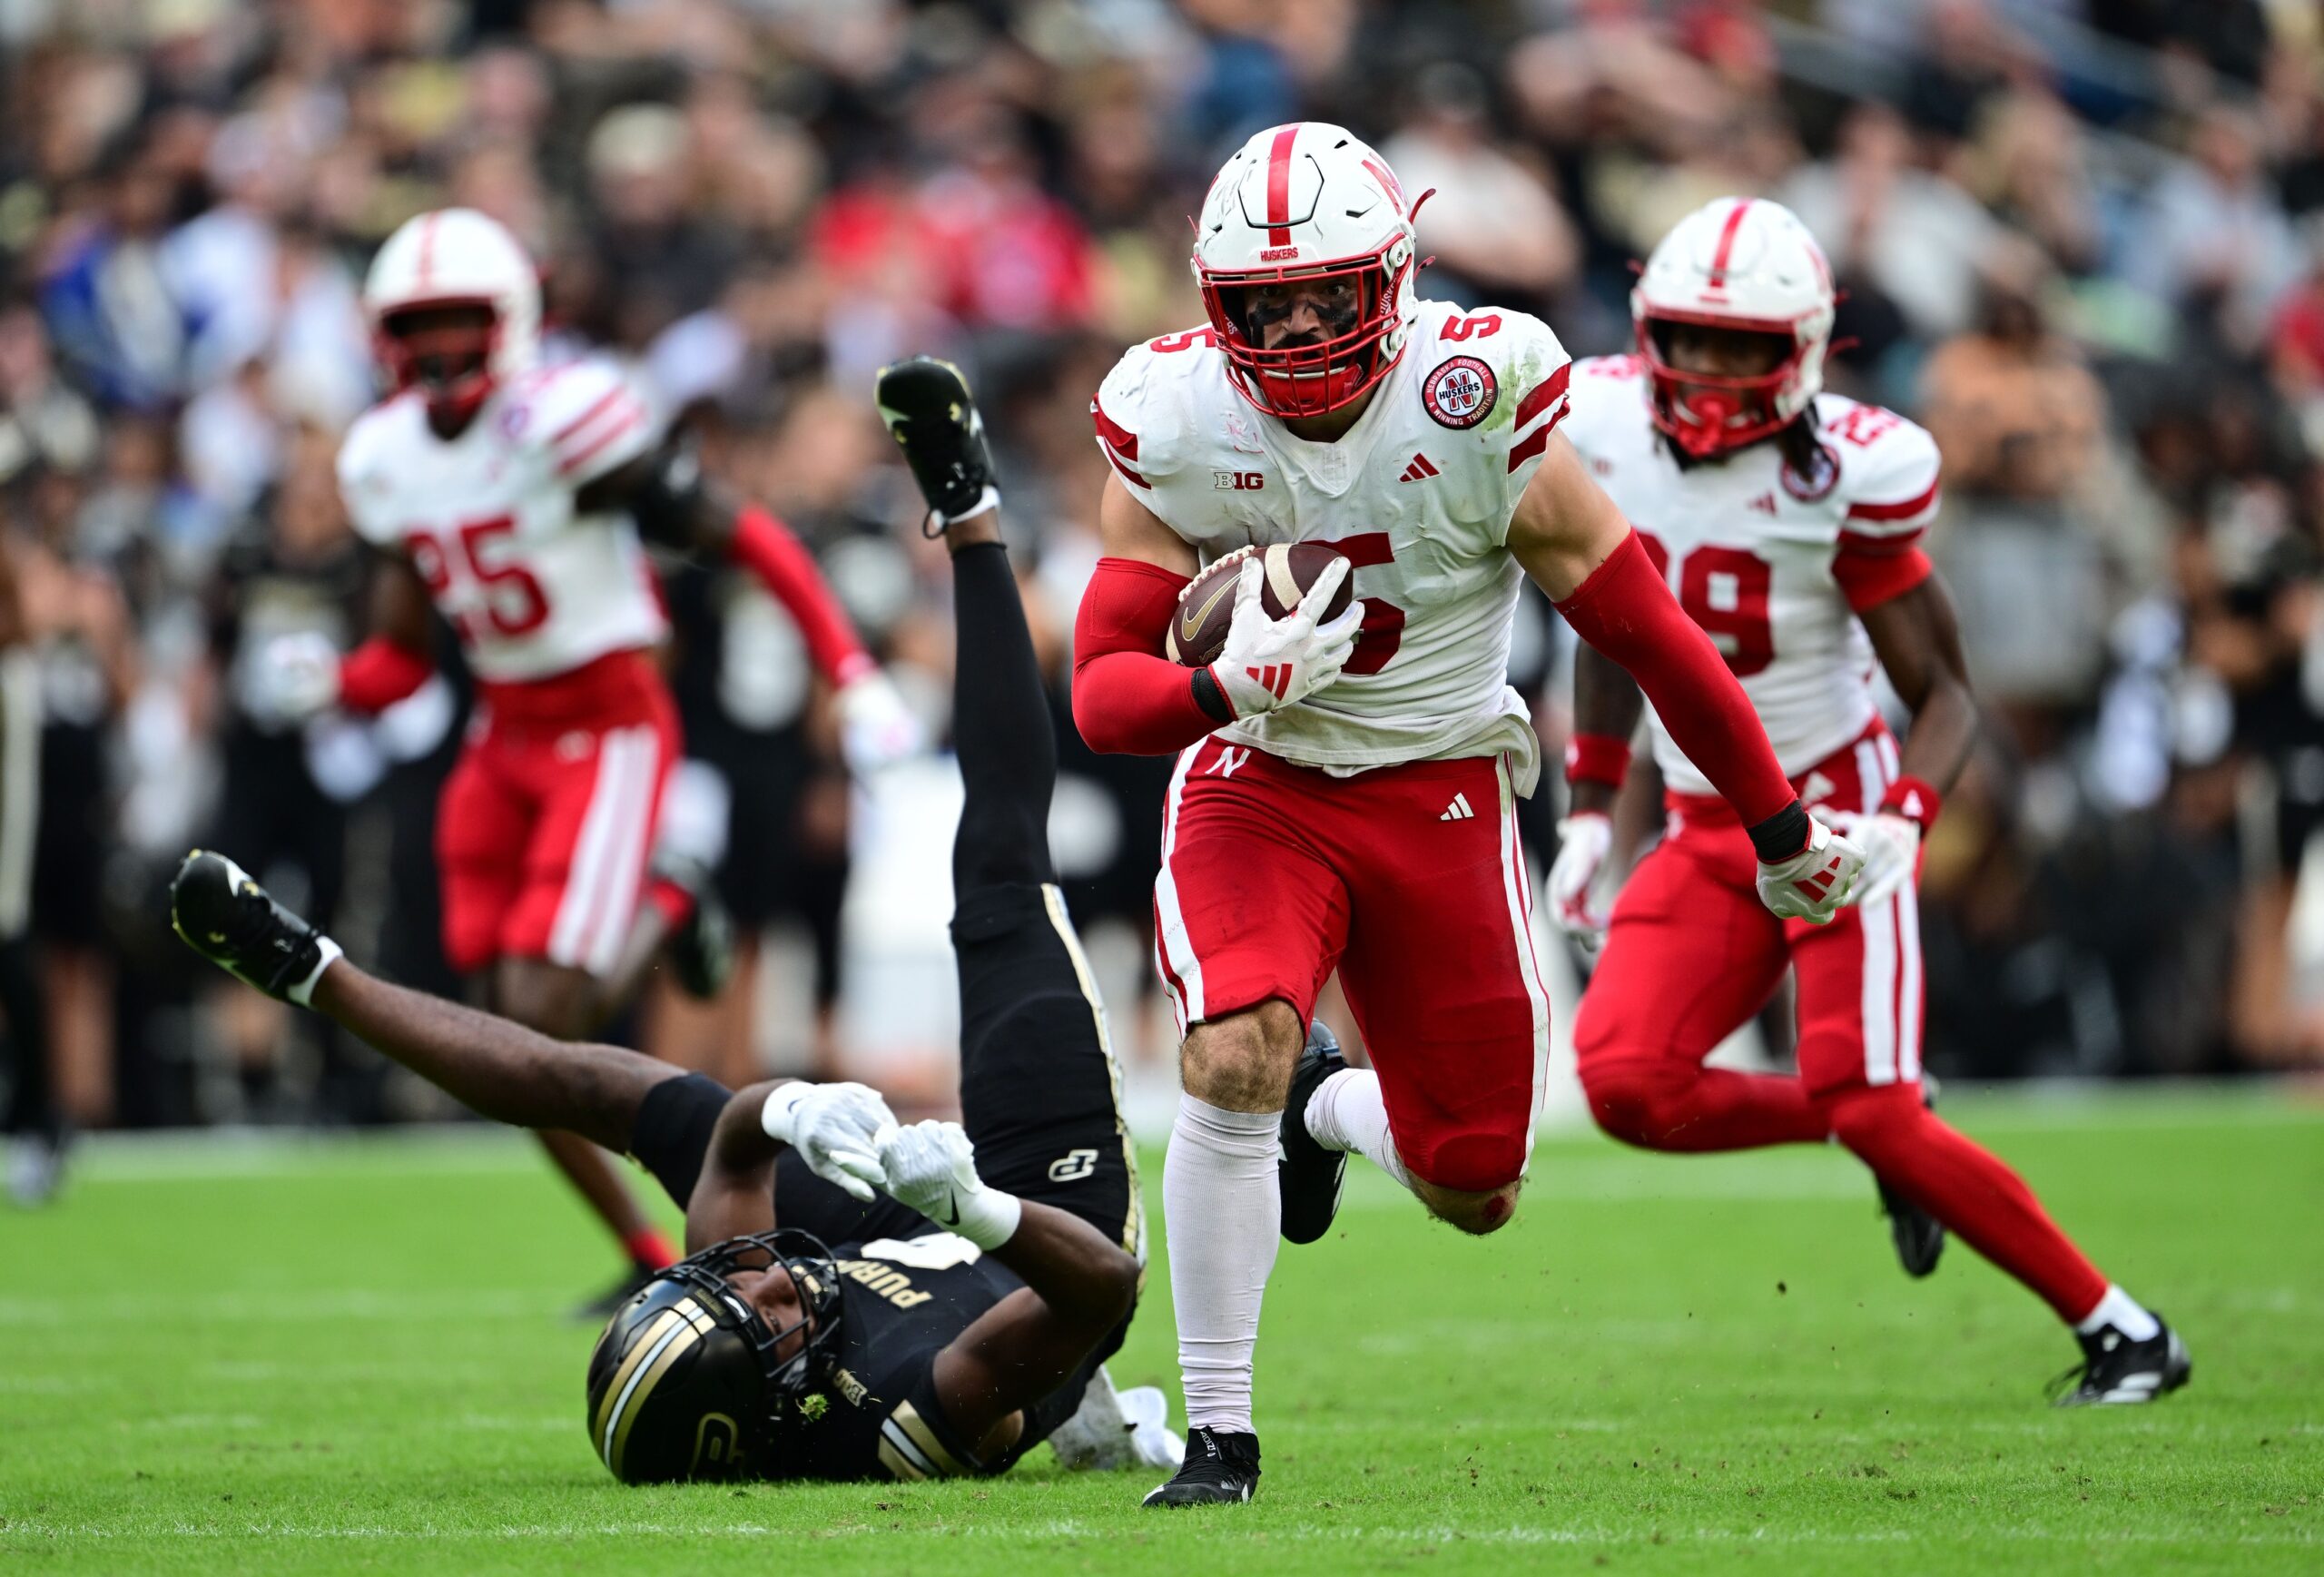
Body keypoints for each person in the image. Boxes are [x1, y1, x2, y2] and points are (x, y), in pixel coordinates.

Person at [171, 359, 1176, 1483]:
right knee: (996, 860)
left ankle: (310, 971)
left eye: (725, 1285)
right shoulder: (895, 1413)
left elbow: (718, 1138)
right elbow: (1100, 1288)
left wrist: (786, 1106)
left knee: (596, 1086)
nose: (758, 1281)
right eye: (752, 1312)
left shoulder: (755, 1299)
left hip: (900, 1225)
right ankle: (971, 512)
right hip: (1042, 1239)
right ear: (769, 1398)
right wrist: (978, 1208)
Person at [1068, 123, 1867, 1505]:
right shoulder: (1175, 416)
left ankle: (1328, 1110)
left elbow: (1656, 635)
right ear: (1218, 303)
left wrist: (1781, 827)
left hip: (1440, 783)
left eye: (1330, 290)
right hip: (1261, 783)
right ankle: (1219, 1437)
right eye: (1270, 300)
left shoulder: (1476, 389)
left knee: (1476, 1182)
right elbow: (1098, 690)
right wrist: (1218, 687)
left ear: (1395, 276)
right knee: (1233, 1049)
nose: (1303, 324)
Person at [1538, 196, 2189, 1405]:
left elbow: (1946, 691)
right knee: (1628, 1085)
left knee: (1873, 1106)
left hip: (1832, 824)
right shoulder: (1601, 427)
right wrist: (1587, 804)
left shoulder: (1852, 468)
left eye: (1746, 347)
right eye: (1691, 340)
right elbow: (1608, 625)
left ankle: (2125, 1329)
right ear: (1644, 330)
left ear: (1808, 348)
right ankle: (1887, 1127)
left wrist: (1903, 820)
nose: (1714, 374)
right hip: (1700, 826)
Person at [250, 209, 921, 1311]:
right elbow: (405, 658)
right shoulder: (384, 460)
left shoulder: (566, 422)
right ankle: (649, 1252)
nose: (441, 351)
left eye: (463, 324)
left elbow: (742, 528)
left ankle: (670, 900)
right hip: (499, 734)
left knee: (541, 1014)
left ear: (511, 324)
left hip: (606, 722)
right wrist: (332, 679)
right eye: (420, 328)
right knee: (495, 1045)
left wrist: (849, 671)